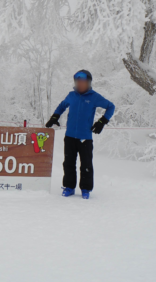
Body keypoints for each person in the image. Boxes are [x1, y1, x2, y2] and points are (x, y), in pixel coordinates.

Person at [45, 70, 115, 199]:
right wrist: (55, 116)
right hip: (70, 136)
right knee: (68, 163)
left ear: (88, 83)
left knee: (86, 164)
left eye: (83, 82)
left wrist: (102, 121)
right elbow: (62, 106)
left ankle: (86, 189)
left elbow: (111, 106)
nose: (80, 84)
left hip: (85, 138)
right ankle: (69, 187)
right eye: (78, 82)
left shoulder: (94, 97)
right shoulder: (71, 96)